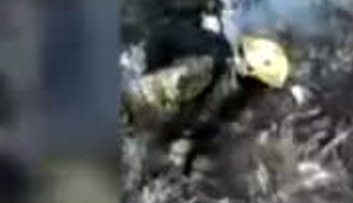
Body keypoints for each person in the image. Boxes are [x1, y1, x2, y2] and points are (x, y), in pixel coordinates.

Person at [122, 32, 291, 171]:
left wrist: (186, 146)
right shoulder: (204, 70)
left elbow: (205, 128)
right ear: (251, 79)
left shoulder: (236, 100)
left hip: (160, 133)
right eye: (263, 86)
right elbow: (141, 94)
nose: (263, 93)